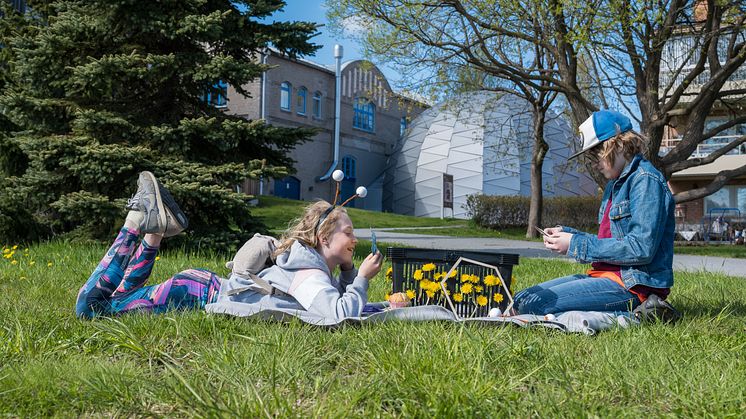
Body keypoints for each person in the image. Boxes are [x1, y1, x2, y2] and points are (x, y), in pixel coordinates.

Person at [76, 172, 383, 321]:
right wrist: (363, 279)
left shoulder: (309, 267)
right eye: (348, 232)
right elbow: (340, 315)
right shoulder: (309, 274)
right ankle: (134, 224)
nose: (354, 239)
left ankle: (155, 232)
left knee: (118, 299)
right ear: (324, 239)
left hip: (197, 288)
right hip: (193, 294)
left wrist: (350, 273)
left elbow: (336, 300)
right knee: (89, 309)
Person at [513, 110, 680, 322]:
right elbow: (610, 241)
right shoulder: (614, 185)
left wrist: (576, 244)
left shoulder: (645, 181)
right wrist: (568, 235)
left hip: (632, 286)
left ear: (619, 144)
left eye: (595, 153)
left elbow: (641, 248)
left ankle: (641, 314)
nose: (593, 163)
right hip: (605, 277)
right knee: (523, 298)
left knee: (535, 304)